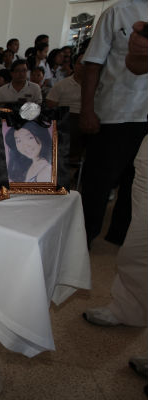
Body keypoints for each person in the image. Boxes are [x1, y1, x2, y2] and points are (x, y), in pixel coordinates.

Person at [80, 0, 148, 247]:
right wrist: (88, 109)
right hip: (115, 112)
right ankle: (82, 239)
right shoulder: (118, 12)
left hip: (145, 116)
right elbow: (93, 64)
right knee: (98, 182)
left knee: (137, 184)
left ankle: (121, 236)